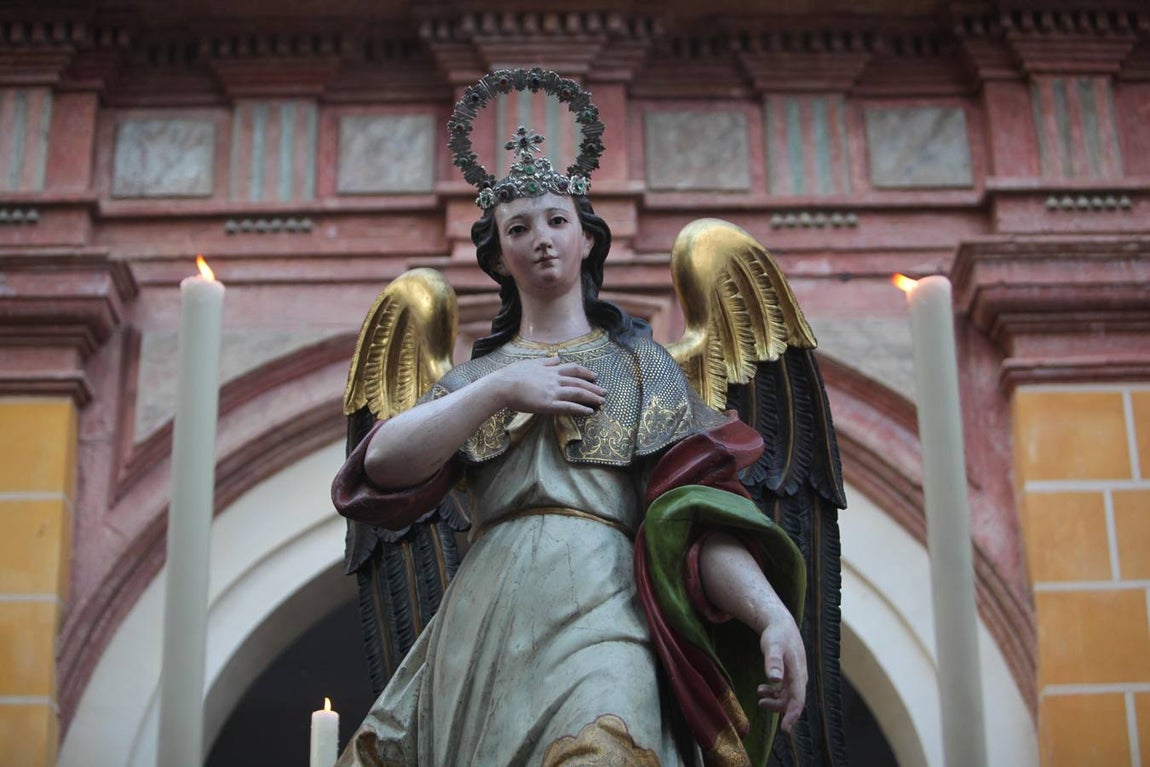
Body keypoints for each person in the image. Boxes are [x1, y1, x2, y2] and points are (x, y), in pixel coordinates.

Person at [331, 70, 811, 766]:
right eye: (518, 228)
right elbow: (378, 467)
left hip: (606, 605)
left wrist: (768, 610)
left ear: (587, 238)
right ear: (498, 254)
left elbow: (695, 518)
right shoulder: (476, 379)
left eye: (558, 221)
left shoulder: (646, 367)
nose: (542, 239)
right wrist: (499, 391)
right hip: (488, 622)